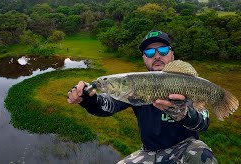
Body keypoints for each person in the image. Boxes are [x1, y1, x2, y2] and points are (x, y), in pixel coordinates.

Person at [67, 30, 218, 163]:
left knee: (203, 154)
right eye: (150, 53)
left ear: (172, 53)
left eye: (163, 50)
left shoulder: (187, 83)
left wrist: (184, 113)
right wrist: (89, 100)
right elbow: (108, 105)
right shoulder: (135, 86)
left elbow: (203, 123)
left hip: (185, 148)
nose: (157, 56)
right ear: (144, 58)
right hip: (149, 152)